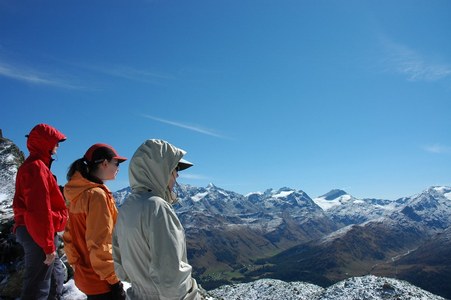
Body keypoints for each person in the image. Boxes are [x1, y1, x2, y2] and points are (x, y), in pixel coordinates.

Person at [113, 139, 200, 300]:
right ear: (161, 170)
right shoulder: (157, 207)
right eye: (175, 168)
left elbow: (119, 265)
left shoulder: (127, 206)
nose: (177, 175)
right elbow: (171, 278)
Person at [63, 143, 127, 300]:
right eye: (116, 163)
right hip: (102, 281)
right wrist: (114, 282)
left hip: (86, 277)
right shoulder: (96, 196)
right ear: (105, 163)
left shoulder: (77, 194)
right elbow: (101, 243)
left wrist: (77, 266)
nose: (118, 168)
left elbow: (69, 236)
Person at [13, 123, 68, 300]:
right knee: (38, 288)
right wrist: (48, 246)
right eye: (55, 142)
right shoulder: (36, 167)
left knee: (55, 275)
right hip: (36, 232)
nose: (57, 146)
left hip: (38, 230)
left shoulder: (37, 166)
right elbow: (39, 209)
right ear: (46, 143)